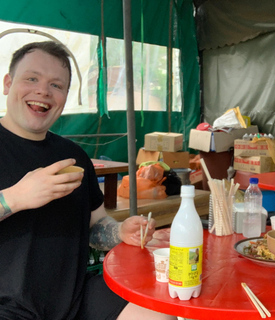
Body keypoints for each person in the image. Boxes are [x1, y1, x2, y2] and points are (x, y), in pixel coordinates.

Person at [0, 41, 176, 319]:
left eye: (56, 85)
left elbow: (95, 226)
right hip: (8, 308)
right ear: (8, 83)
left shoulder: (74, 156)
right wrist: (14, 198)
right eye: (31, 78)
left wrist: (119, 232)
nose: (43, 91)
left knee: (157, 308)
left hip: (75, 299)